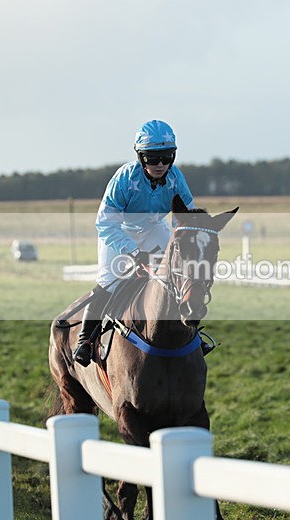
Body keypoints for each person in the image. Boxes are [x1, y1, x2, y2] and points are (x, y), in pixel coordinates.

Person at [72, 119, 198, 366]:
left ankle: (190, 336)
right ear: (140, 157)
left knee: (178, 273)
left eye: (166, 157)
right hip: (118, 232)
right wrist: (133, 252)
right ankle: (85, 341)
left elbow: (187, 218)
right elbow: (105, 223)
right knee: (109, 281)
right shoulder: (124, 178)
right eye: (152, 158)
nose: (160, 165)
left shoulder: (176, 178)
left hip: (153, 228)